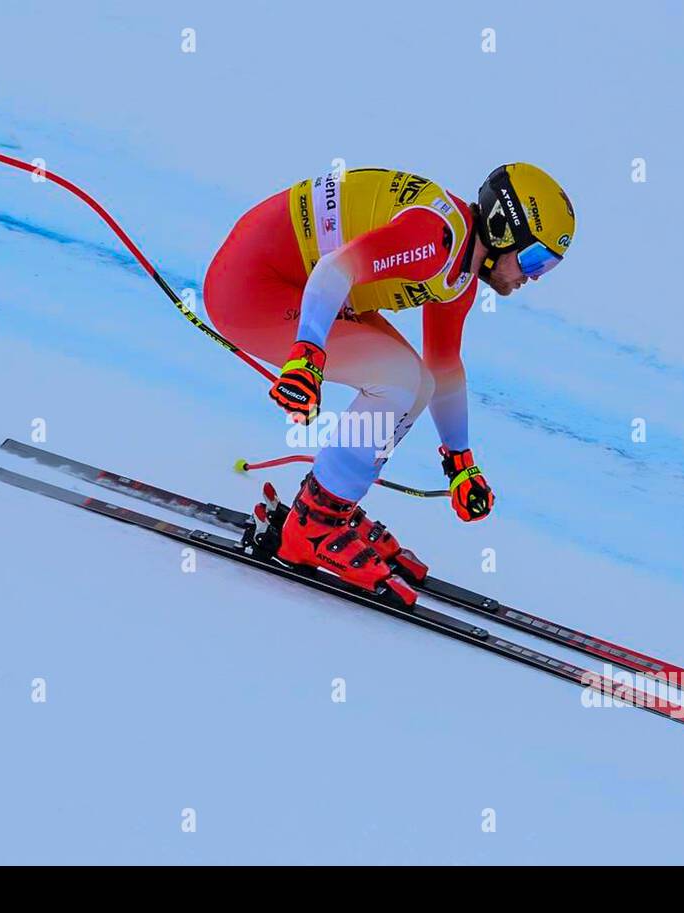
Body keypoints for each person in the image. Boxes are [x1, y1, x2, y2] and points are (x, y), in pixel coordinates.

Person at [203, 164, 575, 603]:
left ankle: (328, 506)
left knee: (417, 383)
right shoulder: (436, 240)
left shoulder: (458, 272)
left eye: (548, 267)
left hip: (296, 285)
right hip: (253, 287)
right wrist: (307, 354)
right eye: (534, 259)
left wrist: (461, 462)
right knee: (397, 379)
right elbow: (334, 269)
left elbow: (443, 366)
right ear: (500, 228)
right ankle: (313, 525)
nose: (533, 276)